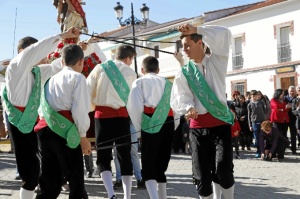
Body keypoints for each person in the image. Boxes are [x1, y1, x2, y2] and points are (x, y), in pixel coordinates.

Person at [3, 27, 80, 199]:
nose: (44, 56)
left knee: (44, 174)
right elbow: (37, 50)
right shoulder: (16, 67)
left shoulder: (36, 72)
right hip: (19, 123)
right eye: (37, 52)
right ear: (24, 53)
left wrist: (76, 49)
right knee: (30, 174)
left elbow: (56, 68)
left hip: (33, 124)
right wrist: (63, 35)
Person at [171, 24, 235, 199]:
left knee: (223, 169)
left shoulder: (217, 61)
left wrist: (197, 28)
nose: (184, 50)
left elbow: (225, 34)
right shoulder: (184, 72)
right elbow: (182, 95)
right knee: (201, 175)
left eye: (187, 46)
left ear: (200, 43)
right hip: (197, 128)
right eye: (183, 47)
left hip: (220, 124)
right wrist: (189, 107)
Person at [34, 44, 91, 198]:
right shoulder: (78, 78)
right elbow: (80, 109)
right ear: (81, 61)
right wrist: (83, 136)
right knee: (75, 181)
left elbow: (42, 109)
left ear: (61, 62)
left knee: (49, 183)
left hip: (44, 131)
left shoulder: (49, 80)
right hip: (65, 133)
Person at [87, 45, 136, 199]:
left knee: (103, 157)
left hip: (102, 117)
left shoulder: (100, 68)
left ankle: (111, 194)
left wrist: (92, 106)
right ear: (128, 58)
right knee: (125, 156)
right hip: (122, 118)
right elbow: (133, 99)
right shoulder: (131, 72)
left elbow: (88, 91)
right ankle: (127, 196)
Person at [127, 56, 175, 199]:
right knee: (161, 164)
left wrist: (139, 129)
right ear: (158, 70)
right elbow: (176, 107)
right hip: (168, 122)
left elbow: (134, 107)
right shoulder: (169, 83)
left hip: (149, 123)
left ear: (142, 70)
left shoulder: (139, 82)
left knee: (149, 164)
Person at [113, 121, 145, 189]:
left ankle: (139, 179)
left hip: (131, 124)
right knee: (117, 154)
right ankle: (119, 179)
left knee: (134, 153)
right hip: (116, 125)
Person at [270, 89, 290, 159]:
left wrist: (283, 109)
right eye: (281, 93)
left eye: (283, 94)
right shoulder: (273, 100)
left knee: (283, 137)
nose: (282, 95)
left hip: (284, 121)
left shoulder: (284, 101)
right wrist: (284, 108)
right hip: (277, 120)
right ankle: (274, 153)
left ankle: (281, 153)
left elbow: (287, 109)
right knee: (276, 137)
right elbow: (276, 107)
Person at [247, 90, 267, 158]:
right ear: (250, 96)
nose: (254, 97)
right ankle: (258, 151)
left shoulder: (261, 102)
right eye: (253, 96)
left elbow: (265, 111)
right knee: (257, 139)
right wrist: (250, 125)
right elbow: (249, 115)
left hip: (262, 122)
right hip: (254, 123)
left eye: (255, 96)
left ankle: (263, 151)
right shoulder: (249, 104)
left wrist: (265, 121)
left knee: (263, 137)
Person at [284, 85, 297, 154]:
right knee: (284, 133)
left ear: (295, 92)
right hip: (285, 118)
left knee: (293, 134)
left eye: (293, 91)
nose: (292, 92)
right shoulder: (284, 98)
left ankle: (294, 149)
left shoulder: (297, 98)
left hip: (293, 119)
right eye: (291, 91)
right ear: (288, 91)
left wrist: (292, 106)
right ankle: (285, 147)